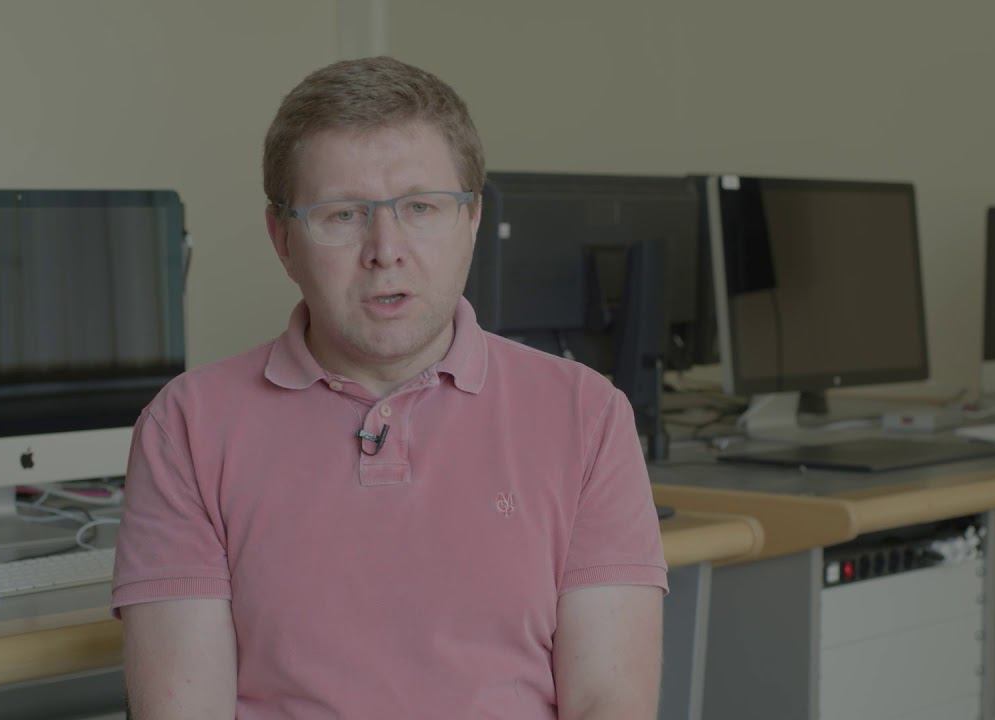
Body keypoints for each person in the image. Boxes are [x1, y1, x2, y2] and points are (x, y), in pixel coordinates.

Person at [113, 56, 667, 719]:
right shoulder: (185, 428)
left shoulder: (588, 416)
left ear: (472, 219)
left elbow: (607, 702)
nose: (386, 249)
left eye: (421, 208)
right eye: (343, 215)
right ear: (282, 238)